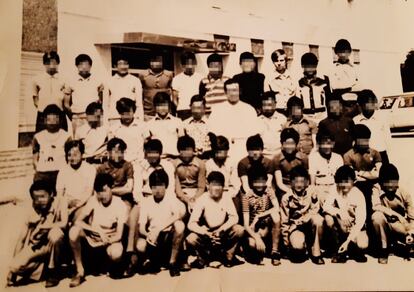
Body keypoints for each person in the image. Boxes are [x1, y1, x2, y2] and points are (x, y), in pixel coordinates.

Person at [68, 173, 128, 287]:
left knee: (116, 253)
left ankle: (106, 264)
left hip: (110, 239)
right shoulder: (93, 200)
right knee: (73, 231)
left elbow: (119, 235)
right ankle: (79, 271)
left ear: (111, 188)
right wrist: (96, 230)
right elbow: (78, 221)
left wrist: (107, 240)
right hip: (93, 238)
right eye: (99, 192)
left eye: (105, 190)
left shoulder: (120, 204)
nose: (102, 195)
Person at [7, 180, 67, 288]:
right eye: (36, 198)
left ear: (51, 194)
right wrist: (13, 272)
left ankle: (53, 272)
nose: (40, 201)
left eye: (43, 196)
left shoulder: (61, 201)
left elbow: (64, 223)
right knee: (14, 266)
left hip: (59, 244)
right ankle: (43, 268)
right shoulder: (31, 208)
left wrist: (44, 227)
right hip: (39, 246)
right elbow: (21, 239)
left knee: (55, 234)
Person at [186, 171, 245, 268]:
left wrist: (221, 230)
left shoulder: (226, 197)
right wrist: (205, 232)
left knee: (239, 229)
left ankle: (228, 256)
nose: (217, 188)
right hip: (207, 235)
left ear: (223, 187)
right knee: (191, 238)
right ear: (208, 185)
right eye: (214, 184)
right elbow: (191, 224)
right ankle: (203, 257)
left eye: (220, 185)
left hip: (222, 234)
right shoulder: (202, 199)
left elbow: (234, 217)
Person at [136, 169, 186, 277]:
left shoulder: (171, 199)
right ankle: (152, 262)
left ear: (166, 185)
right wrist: (148, 234)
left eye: (160, 185)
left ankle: (172, 262)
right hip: (153, 239)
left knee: (179, 225)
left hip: (168, 236)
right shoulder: (146, 202)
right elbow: (141, 227)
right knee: (140, 245)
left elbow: (178, 215)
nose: (157, 189)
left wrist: (158, 229)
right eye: (154, 186)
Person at [208, 79, 261, 165]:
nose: (233, 93)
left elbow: (254, 135)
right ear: (225, 92)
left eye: (235, 90)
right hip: (224, 154)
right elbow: (212, 134)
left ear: (239, 91)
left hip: (243, 152)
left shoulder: (249, 109)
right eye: (229, 91)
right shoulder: (217, 110)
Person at [323, 165, 368, 263]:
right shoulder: (334, 189)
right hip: (341, 224)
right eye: (341, 182)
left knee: (362, 244)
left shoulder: (358, 195)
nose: (343, 185)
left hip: (354, 226)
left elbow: (360, 221)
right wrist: (340, 212)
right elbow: (325, 207)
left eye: (347, 181)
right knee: (328, 219)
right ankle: (337, 249)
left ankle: (350, 247)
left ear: (354, 181)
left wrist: (348, 241)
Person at [280, 166, 325, 264]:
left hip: (309, 225)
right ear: (291, 183)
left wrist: (301, 221)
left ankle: (316, 252)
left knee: (318, 219)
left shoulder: (311, 193)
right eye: (296, 182)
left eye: (302, 182)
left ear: (306, 182)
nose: (299, 185)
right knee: (297, 246)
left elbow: (314, 210)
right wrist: (286, 243)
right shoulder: (286, 198)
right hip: (295, 228)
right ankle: (303, 246)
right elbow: (284, 222)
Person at [371, 164, 414, 264]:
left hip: (400, 225)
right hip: (384, 225)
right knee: (376, 216)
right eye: (387, 182)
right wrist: (396, 214)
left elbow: (412, 217)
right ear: (382, 182)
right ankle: (384, 249)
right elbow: (376, 206)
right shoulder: (376, 188)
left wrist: (410, 233)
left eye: (393, 182)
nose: (390, 185)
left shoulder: (404, 192)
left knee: (410, 235)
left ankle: (408, 243)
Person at [242, 165, 281, 266]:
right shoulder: (247, 196)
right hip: (253, 228)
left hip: (265, 225)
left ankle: (275, 251)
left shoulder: (268, 190)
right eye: (256, 181)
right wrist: (256, 237)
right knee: (252, 245)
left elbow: (276, 207)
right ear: (251, 182)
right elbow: (246, 225)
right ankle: (251, 249)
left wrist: (259, 216)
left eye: (262, 181)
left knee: (275, 215)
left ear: (266, 181)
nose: (259, 184)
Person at [343, 124, 382, 222]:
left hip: (373, 186)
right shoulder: (348, 155)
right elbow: (353, 177)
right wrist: (370, 174)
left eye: (367, 139)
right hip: (357, 186)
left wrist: (360, 173)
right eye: (362, 139)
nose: (366, 142)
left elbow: (379, 174)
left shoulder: (375, 153)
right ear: (355, 139)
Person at [63, 54, 105, 136]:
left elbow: (100, 101)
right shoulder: (70, 81)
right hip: (78, 117)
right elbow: (66, 104)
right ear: (77, 66)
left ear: (90, 66)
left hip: (94, 116)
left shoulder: (98, 80)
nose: (84, 67)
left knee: (94, 138)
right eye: (81, 64)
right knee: (79, 141)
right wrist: (73, 116)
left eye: (86, 64)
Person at [56, 140, 96, 221]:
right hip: (67, 203)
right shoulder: (63, 170)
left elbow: (89, 192)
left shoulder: (90, 169)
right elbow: (60, 192)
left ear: (82, 154)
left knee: (78, 219)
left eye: (75, 155)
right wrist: (63, 205)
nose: (72, 158)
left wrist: (75, 207)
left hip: (83, 204)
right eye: (69, 155)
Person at [32, 104, 71, 187]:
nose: (52, 122)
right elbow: (35, 157)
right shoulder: (38, 137)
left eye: (55, 119)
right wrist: (39, 169)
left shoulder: (66, 136)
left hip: (60, 172)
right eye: (49, 119)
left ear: (60, 120)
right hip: (42, 173)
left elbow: (69, 157)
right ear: (44, 120)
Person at [31, 51, 67, 132]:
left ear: (58, 63)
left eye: (54, 62)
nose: (51, 65)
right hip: (43, 114)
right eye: (48, 63)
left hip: (60, 114)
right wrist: (44, 109)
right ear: (44, 64)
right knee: (42, 139)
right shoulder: (37, 79)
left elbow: (67, 99)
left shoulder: (64, 79)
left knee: (61, 140)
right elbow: (35, 99)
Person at [353, 89, 392, 164]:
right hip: (364, 156)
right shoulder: (356, 120)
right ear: (360, 105)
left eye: (371, 103)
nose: (368, 106)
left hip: (381, 153)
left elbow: (387, 138)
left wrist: (388, 154)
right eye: (365, 104)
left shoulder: (382, 118)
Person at [96, 138, 135, 207]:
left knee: (125, 209)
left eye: (122, 152)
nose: (119, 155)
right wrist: (121, 189)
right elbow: (98, 189)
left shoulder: (127, 165)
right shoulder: (101, 168)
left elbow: (129, 189)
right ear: (108, 152)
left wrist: (109, 191)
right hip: (106, 198)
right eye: (116, 152)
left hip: (124, 198)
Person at [309, 130, 344, 204]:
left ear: (333, 144)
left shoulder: (338, 157)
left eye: (329, 143)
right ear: (318, 144)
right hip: (320, 188)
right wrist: (313, 192)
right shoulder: (313, 157)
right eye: (323, 144)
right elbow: (312, 183)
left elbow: (341, 179)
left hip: (335, 188)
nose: (326, 147)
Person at [173, 135, 206, 213]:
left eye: (188, 149)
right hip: (181, 194)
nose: (186, 153)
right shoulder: (174, 164)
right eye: (183, 150)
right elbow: (177, 189)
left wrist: (195, 198)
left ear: (193, 150)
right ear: (179, 151)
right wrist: (186, 199)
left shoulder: (200, 163)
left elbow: (201, 187)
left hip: (197, 193)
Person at [145, 92, 184, 157]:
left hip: (175, 157)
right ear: (155, 107)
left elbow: (182, 142)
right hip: (157, 158)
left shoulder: (177, 121)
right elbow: (147, 145)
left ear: (169, 106)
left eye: (165, 105)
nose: (162, 108)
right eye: (159, 105)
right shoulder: (149, 124)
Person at [273, 128, 308, 200]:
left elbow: (306, 179)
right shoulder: (277, 159)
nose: (289, 146)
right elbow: (279, 183)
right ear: (282, 143)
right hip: (284, 189)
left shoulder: (303, 158)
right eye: (287, 143)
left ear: (296, 144)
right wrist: (291, 192)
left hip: (300, 186)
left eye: (292, 144)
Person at [108, 97, 146, 163]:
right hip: (121, 165)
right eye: (123, 114)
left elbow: (146, 146)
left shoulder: (142, 126)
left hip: (139, 163)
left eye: (128, 113)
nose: (126, 116)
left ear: (133, 111)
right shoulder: (113, 129)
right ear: (119, 113)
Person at [107, 56, 143, 124]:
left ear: (128, 65)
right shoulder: (109, 81)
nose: (123, 66)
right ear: (115, 66)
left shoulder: (135, 80)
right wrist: (106, 120)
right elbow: (105, 104)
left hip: (131, 118)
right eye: (120, 64)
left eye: (125, 64)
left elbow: (139, 103)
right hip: (114, 118)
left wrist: (140, 119)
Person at [297, 52, 331, 123]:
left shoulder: (324, 80)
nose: (310, 69)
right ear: (302, 66)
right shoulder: (299, 82)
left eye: (312, 66)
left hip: (322, 116)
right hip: (306, 118)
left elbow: (328, 100)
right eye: (307, 66)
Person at [330, 39, 360, 117]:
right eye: (340, 51)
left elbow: (358, 86)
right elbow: (333, 86)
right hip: (338, 103)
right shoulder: (332, 68)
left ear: (349, 52)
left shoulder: (355, 68)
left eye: (345, 51)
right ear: (336, 52)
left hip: (354, 103)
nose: (343, 54)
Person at [139, 51, 173, 120]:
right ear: (150, 61)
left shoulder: (169, 74)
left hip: (164, 111)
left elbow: (171, 92)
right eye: (154, 61)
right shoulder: (143, 74)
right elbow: (140, 94)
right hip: (148, 112)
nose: (156, 63)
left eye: (159, 61)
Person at [205, 134, 241, 199]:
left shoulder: (232, 163)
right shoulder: (209, 164)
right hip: (214, 194)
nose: (219, 153)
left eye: (222, 150)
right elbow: (208, 184)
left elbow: (235, 184)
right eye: (217, 150)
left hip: (229, 194)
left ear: (227, 150)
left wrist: (227, 196)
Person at [172, 51, 204, 120]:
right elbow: (174, 99)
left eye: (192, 63)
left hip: (197, 110)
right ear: (182, 65)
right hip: (183, 111)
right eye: (187, 64)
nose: (190, 66)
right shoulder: (176, 79)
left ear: (195, 63)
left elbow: (203, 96)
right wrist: (180, 108)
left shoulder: (201, 78)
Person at [265, 49, 297, 115]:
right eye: (276, 61)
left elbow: (297, 97)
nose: (279, 63)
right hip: (277, 112)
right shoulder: (269, 79)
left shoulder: (293, 77)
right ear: (273, 62)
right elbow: (267, 99)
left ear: (286, 61)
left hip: (292, 112)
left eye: (281, 60)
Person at [257, 91, 287, 158]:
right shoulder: (257, 120)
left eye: (270, 105)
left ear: (275, 104)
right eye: (265, 105)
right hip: (263, 156)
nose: (267, 108)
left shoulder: (282, 119)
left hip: (280, 156)